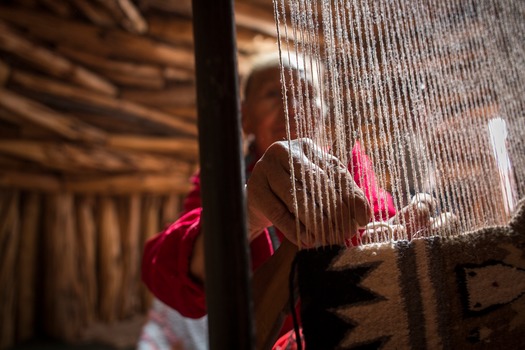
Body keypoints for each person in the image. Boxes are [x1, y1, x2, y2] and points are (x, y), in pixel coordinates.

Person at [138, 51, 436, 349]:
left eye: (307, 94)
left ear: (323, 111)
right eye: (274, 95)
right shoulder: (222, 178)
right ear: (245, 118)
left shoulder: (347, 161)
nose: (294, 109)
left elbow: (379, 217)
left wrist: (395, 232)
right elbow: (163, 271)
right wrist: (248, 211)